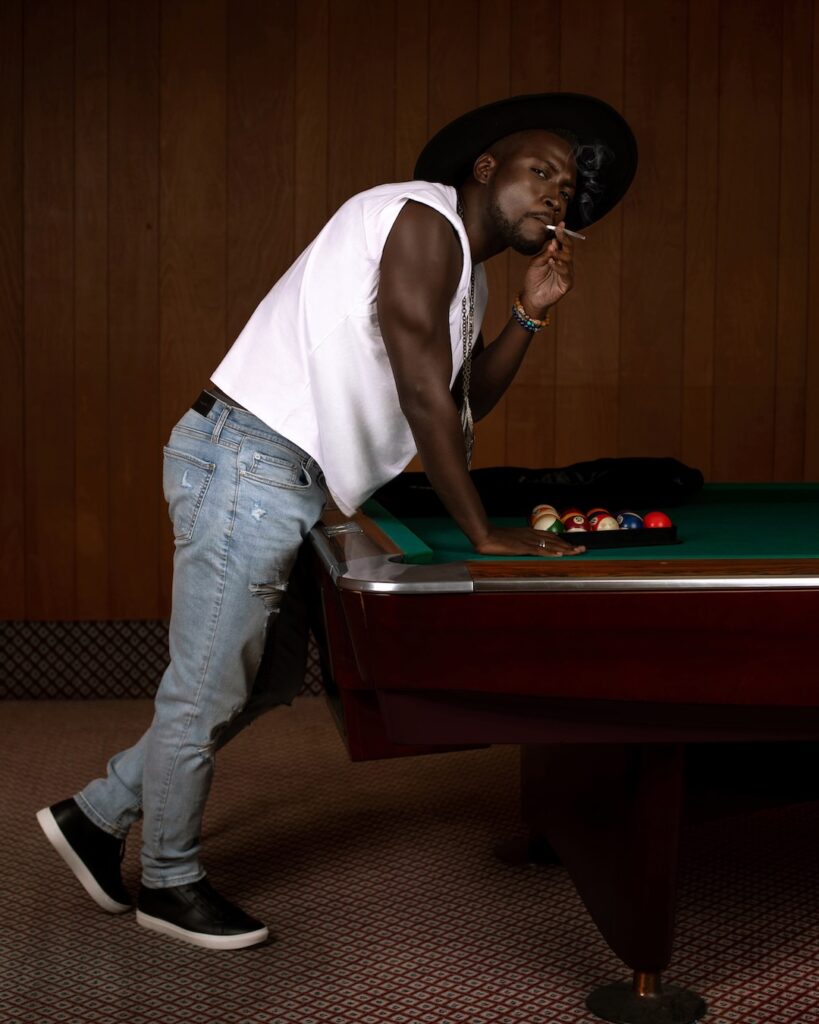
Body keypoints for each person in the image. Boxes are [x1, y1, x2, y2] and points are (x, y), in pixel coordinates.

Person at [36, 93, 637, 950]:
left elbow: (462, 405)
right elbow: (423, 394)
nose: (556, 194)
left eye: (567, 187)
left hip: (285, 474)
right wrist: (480, 532)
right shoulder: (420, 218)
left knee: (265, 678)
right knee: (205, 687)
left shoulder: (466, 272)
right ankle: (168, 884)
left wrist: (528, 313)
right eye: (538, 172)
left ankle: (96, 818)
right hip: (246, 459)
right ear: (482, 170)